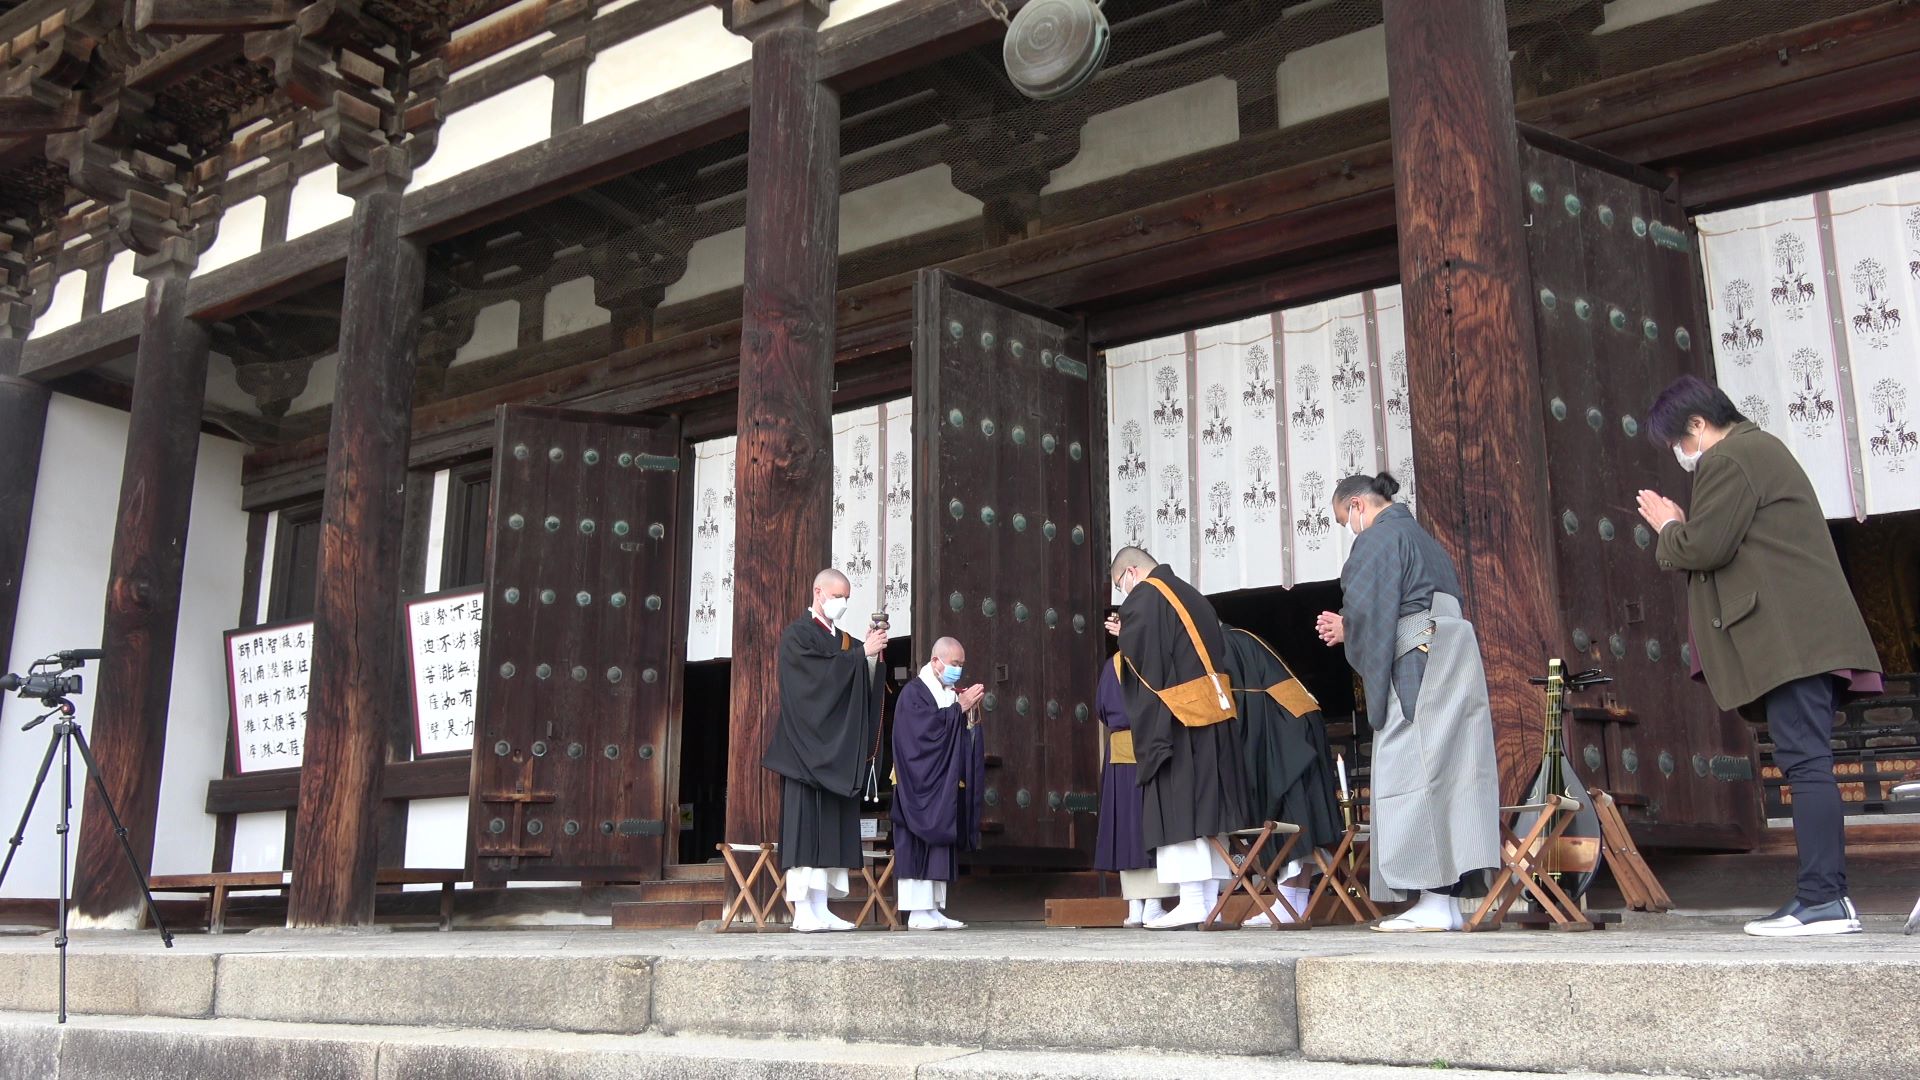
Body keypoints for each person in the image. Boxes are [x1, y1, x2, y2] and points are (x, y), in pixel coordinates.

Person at [1635, 374, 1883, 938]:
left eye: (1679, 442)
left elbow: (1706, 546)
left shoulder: (1731, 458)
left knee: (1806, 764)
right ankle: (1825, 898)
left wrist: (1671, 526)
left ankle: (1824, 899)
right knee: (1807, 760)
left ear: (1697, 426)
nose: (1681, 455)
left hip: (1792, 640)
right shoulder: (1760, 449)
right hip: (1802, 637)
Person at [1314, 472, 1500, 932]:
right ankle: (1449, 902)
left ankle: (1432, 900)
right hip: (1453, 655)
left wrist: (1347, 629)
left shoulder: (1379, 538)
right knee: (1454, 770)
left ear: (1358, 505)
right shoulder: (1425, 540)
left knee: (1412, 770)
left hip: (1419, 663)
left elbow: (1371, 609)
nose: (1349, 530)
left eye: (1345, 520)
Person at [1110, 547, 1254, 929]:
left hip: (1177, 720)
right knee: (1209, 808)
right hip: (1215, 713)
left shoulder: (1146, 596)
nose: (1125, 595)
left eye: (1120, 586)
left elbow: (1144, 668)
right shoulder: (1194, 596)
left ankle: (1191, 900)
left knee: (1180, 805)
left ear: (1132, 572)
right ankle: (1211, 904)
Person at [763, 568, 886, 933]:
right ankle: (803, 909)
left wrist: (868, 658)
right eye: (837, 596)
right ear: (818, 592)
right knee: (804, 829)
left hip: (837, 751)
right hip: (805, 750)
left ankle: (823, 906)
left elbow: (854, 685)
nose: (842, 603)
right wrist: (860, 654)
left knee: (831, 829)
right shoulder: (797, 635)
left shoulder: (844, 641)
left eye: (847, 597)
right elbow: (811, 683)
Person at [1221, 622, 1344, 922]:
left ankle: (1288, 902)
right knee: (1301, 815)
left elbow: (1234, 706)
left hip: (1282, 728)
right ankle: (1294, 904)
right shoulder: (1240, 636)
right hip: (1294, 721)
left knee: (1290, 811)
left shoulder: (1221, 643)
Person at [890, 637, 986, 930]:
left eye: (961, 665)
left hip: (941, 784)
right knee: (917, 843)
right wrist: (959, 708)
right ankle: (917, 912)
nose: (958, 670)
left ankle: (932, 908)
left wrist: (967, 713)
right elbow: (923, 733)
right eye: (954, 664)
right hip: (915, 784)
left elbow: (951, 732)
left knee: (940, 842)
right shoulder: (914, 694)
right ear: (936, 661)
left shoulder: (947, 693)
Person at [1095, 609, 1178, 927]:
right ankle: (1152, 904)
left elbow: (1103, 708)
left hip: (1120, 751)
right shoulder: (1150, 664)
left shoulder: (1111, 666)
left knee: (1127, 828)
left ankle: (1135, 908)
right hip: (1149, 750)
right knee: (1150, 826)